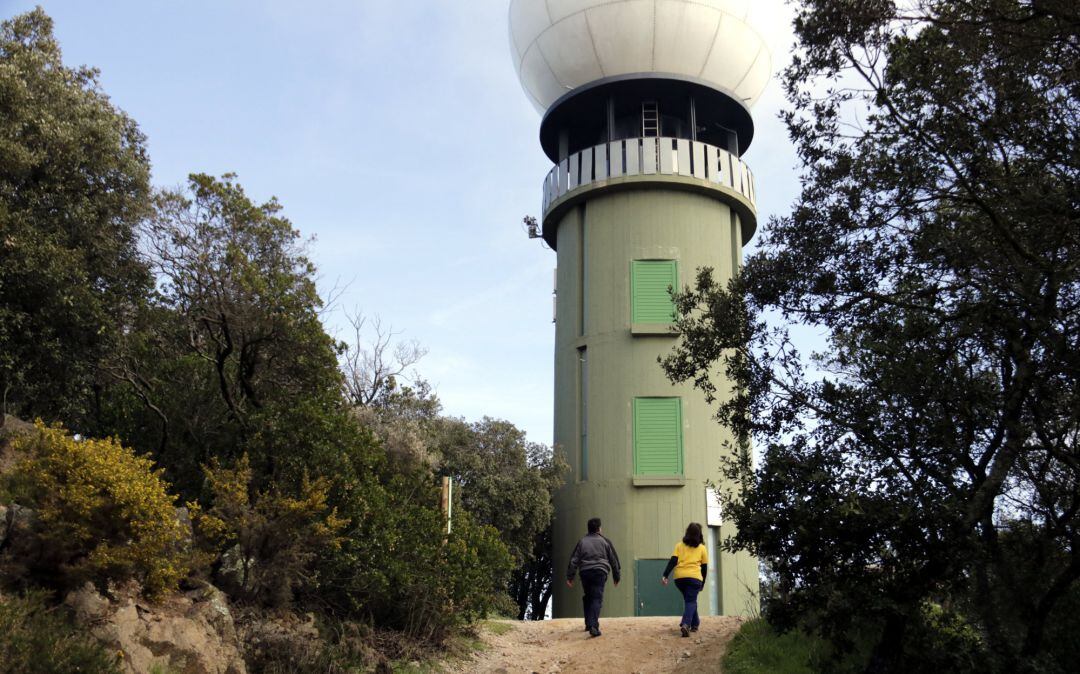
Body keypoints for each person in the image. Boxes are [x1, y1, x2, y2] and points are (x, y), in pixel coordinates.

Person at [566, 517, 621, 637]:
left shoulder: (582, 541)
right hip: (600, 572)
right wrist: (616, 577)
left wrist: (570, 577)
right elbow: (614, 560)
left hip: (585, 572)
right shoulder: (605, 541)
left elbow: (574, 560)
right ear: (599, 529)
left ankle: (588, 623)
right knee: (596, 598)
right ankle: (593, 626)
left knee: (588, 597)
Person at [661, 522, 708, 637]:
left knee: (689, 599)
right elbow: (704, 568)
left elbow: (673, 561)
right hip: (695, 578)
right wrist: (703, 583)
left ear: (687, 533)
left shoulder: (679, 545)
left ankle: (695, 623)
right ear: (699, 534)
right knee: (690, 601)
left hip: (680, 579)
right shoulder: (702, 548)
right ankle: (686, 624)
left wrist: (665, 575)